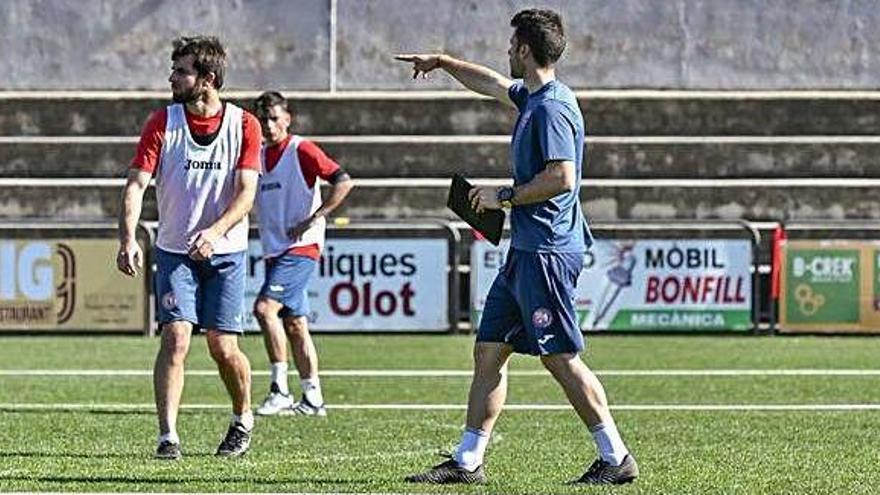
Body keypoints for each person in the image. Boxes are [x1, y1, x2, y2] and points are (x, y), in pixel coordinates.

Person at [395, 8, 638, 485]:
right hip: (526, 250)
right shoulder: (533, 97)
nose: (506, 52)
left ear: (525, 50)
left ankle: (615, 457)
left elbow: (561, 177)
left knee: (559, 355)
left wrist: (502, 196)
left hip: (546, 250)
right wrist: (442, 62)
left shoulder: (551, 108)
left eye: (511, 45)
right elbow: (489, 84)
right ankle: (468, 461)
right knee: (489, 350)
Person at [116, 35, 261, 460]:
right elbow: (136, 183)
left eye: (182, 71)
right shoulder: (162, 123)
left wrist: (215, 233)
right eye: (174, 69)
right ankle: (168, 437)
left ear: (208, 79)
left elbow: (247, 193)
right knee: (176, 339)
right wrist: (128, 236)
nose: (172, 77)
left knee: (223, 347)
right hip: (175, 249)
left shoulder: (244, 124)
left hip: (227, 252)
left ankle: (242, 418)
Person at [251, 91, 353, 416]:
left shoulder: (301, 149)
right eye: (263, 119)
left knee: (265, 309)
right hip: (274, 250)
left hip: (301, 247)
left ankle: (279, 389)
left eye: (273, 118)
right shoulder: (259, 156)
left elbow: (343, 181)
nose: (268, 126)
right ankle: (313, 397)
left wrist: (315, 217)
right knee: (295, 324)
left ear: (287, 119)